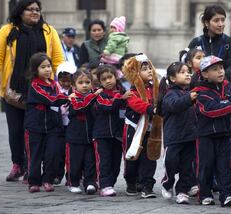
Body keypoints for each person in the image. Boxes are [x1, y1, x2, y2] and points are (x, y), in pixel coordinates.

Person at [0, 0, 64, 182]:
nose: (34, 12)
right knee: (16, 131)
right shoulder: (8, 31)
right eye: (30, 9)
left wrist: (62, 83)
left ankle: (33, 168)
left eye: (37, 9)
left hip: (42, 92)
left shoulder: (48, 31)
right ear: (20, 12)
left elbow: (58, 59)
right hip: (15, 91)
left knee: (37, 132)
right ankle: (18, 164)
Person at [188, 5, 231, 182]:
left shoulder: (230, 42)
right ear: (206, 22)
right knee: (203, 145)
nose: (221, 24)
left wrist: (222, 81)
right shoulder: (196, 43)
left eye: (223, 20)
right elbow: (190, 67)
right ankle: (204, 183)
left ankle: (229, 181)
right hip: (203, 97)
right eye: (216, 20)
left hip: (224, 93)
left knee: (230, 141)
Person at [193, 55, 231, 207]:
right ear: (204, 74)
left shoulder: (228, 87)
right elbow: (211, 111)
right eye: (215, 69)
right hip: (206, 136)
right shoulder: (200, 92)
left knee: (225, 166)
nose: (220, 72)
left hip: (225, 134)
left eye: (221, 68)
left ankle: (226, 194)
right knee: (206, 166)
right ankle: (204, 194)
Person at [24, 53, 68, 193]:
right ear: (35, 69)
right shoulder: (35, 85)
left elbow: (56, 100)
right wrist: (68, 97)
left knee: (52, 154)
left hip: (53, 126)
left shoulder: (54, 84)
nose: (47, 70)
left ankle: (48, 180)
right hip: (35, 126)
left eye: (49, 66)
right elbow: (50, 99)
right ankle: (34, 182)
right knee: (35, 154)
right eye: (43, 67)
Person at [122, 54, 163, 198]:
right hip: (135, 128)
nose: (149, 71)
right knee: (133, 156)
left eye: (150, 67)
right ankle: (131, 181)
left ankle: (147, 185)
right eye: (144, 69)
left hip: (152, 130)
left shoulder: (156, 89)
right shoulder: (132, 92)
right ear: (135, 73)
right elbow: (136, 104)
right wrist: (151, 109)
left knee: (150, 158)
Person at [158, 62, 198, 204]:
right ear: (173, 78)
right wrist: (189, 99)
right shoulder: (169, 94)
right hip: (173, 137)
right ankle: (167, 184)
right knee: (171, 162)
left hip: (190, 137)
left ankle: (182, 191)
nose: (187, 74)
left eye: (188, 71)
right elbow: (175, 105)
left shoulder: (190, 93)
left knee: (187, 167)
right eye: (182, 72)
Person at [93, 65, 131, 197]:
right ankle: (104, 185)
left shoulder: (122, 92)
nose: (108, 81)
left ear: (115, 77)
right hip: (102, 135)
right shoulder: (99, 94)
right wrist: (121, 99)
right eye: (104, 79)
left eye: (110, 77)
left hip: (118, 135)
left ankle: (111, 183)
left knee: (115, 162)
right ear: (100, 82)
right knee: (105, 161)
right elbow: (108, 106)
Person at [65, 69, 101, 194]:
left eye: (87, 82)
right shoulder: (73, 98)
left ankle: (90, 182)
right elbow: (79, 108)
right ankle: (72, 182)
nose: (84, 85)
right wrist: (94, 96)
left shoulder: (95, 98)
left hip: (91, 136)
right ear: (74, 86)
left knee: (90, 162)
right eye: (80, 83)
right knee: (74, 162)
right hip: (75, 137)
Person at [54, 62, 77, 185]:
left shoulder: (75, 90)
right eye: (63, 81)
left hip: (71, 125)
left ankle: (71, 176)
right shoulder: (55, 88)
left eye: (68, 81)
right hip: (58, 125)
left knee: (71, 153)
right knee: (58, 151)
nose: (66, 84)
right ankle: (57, 174)